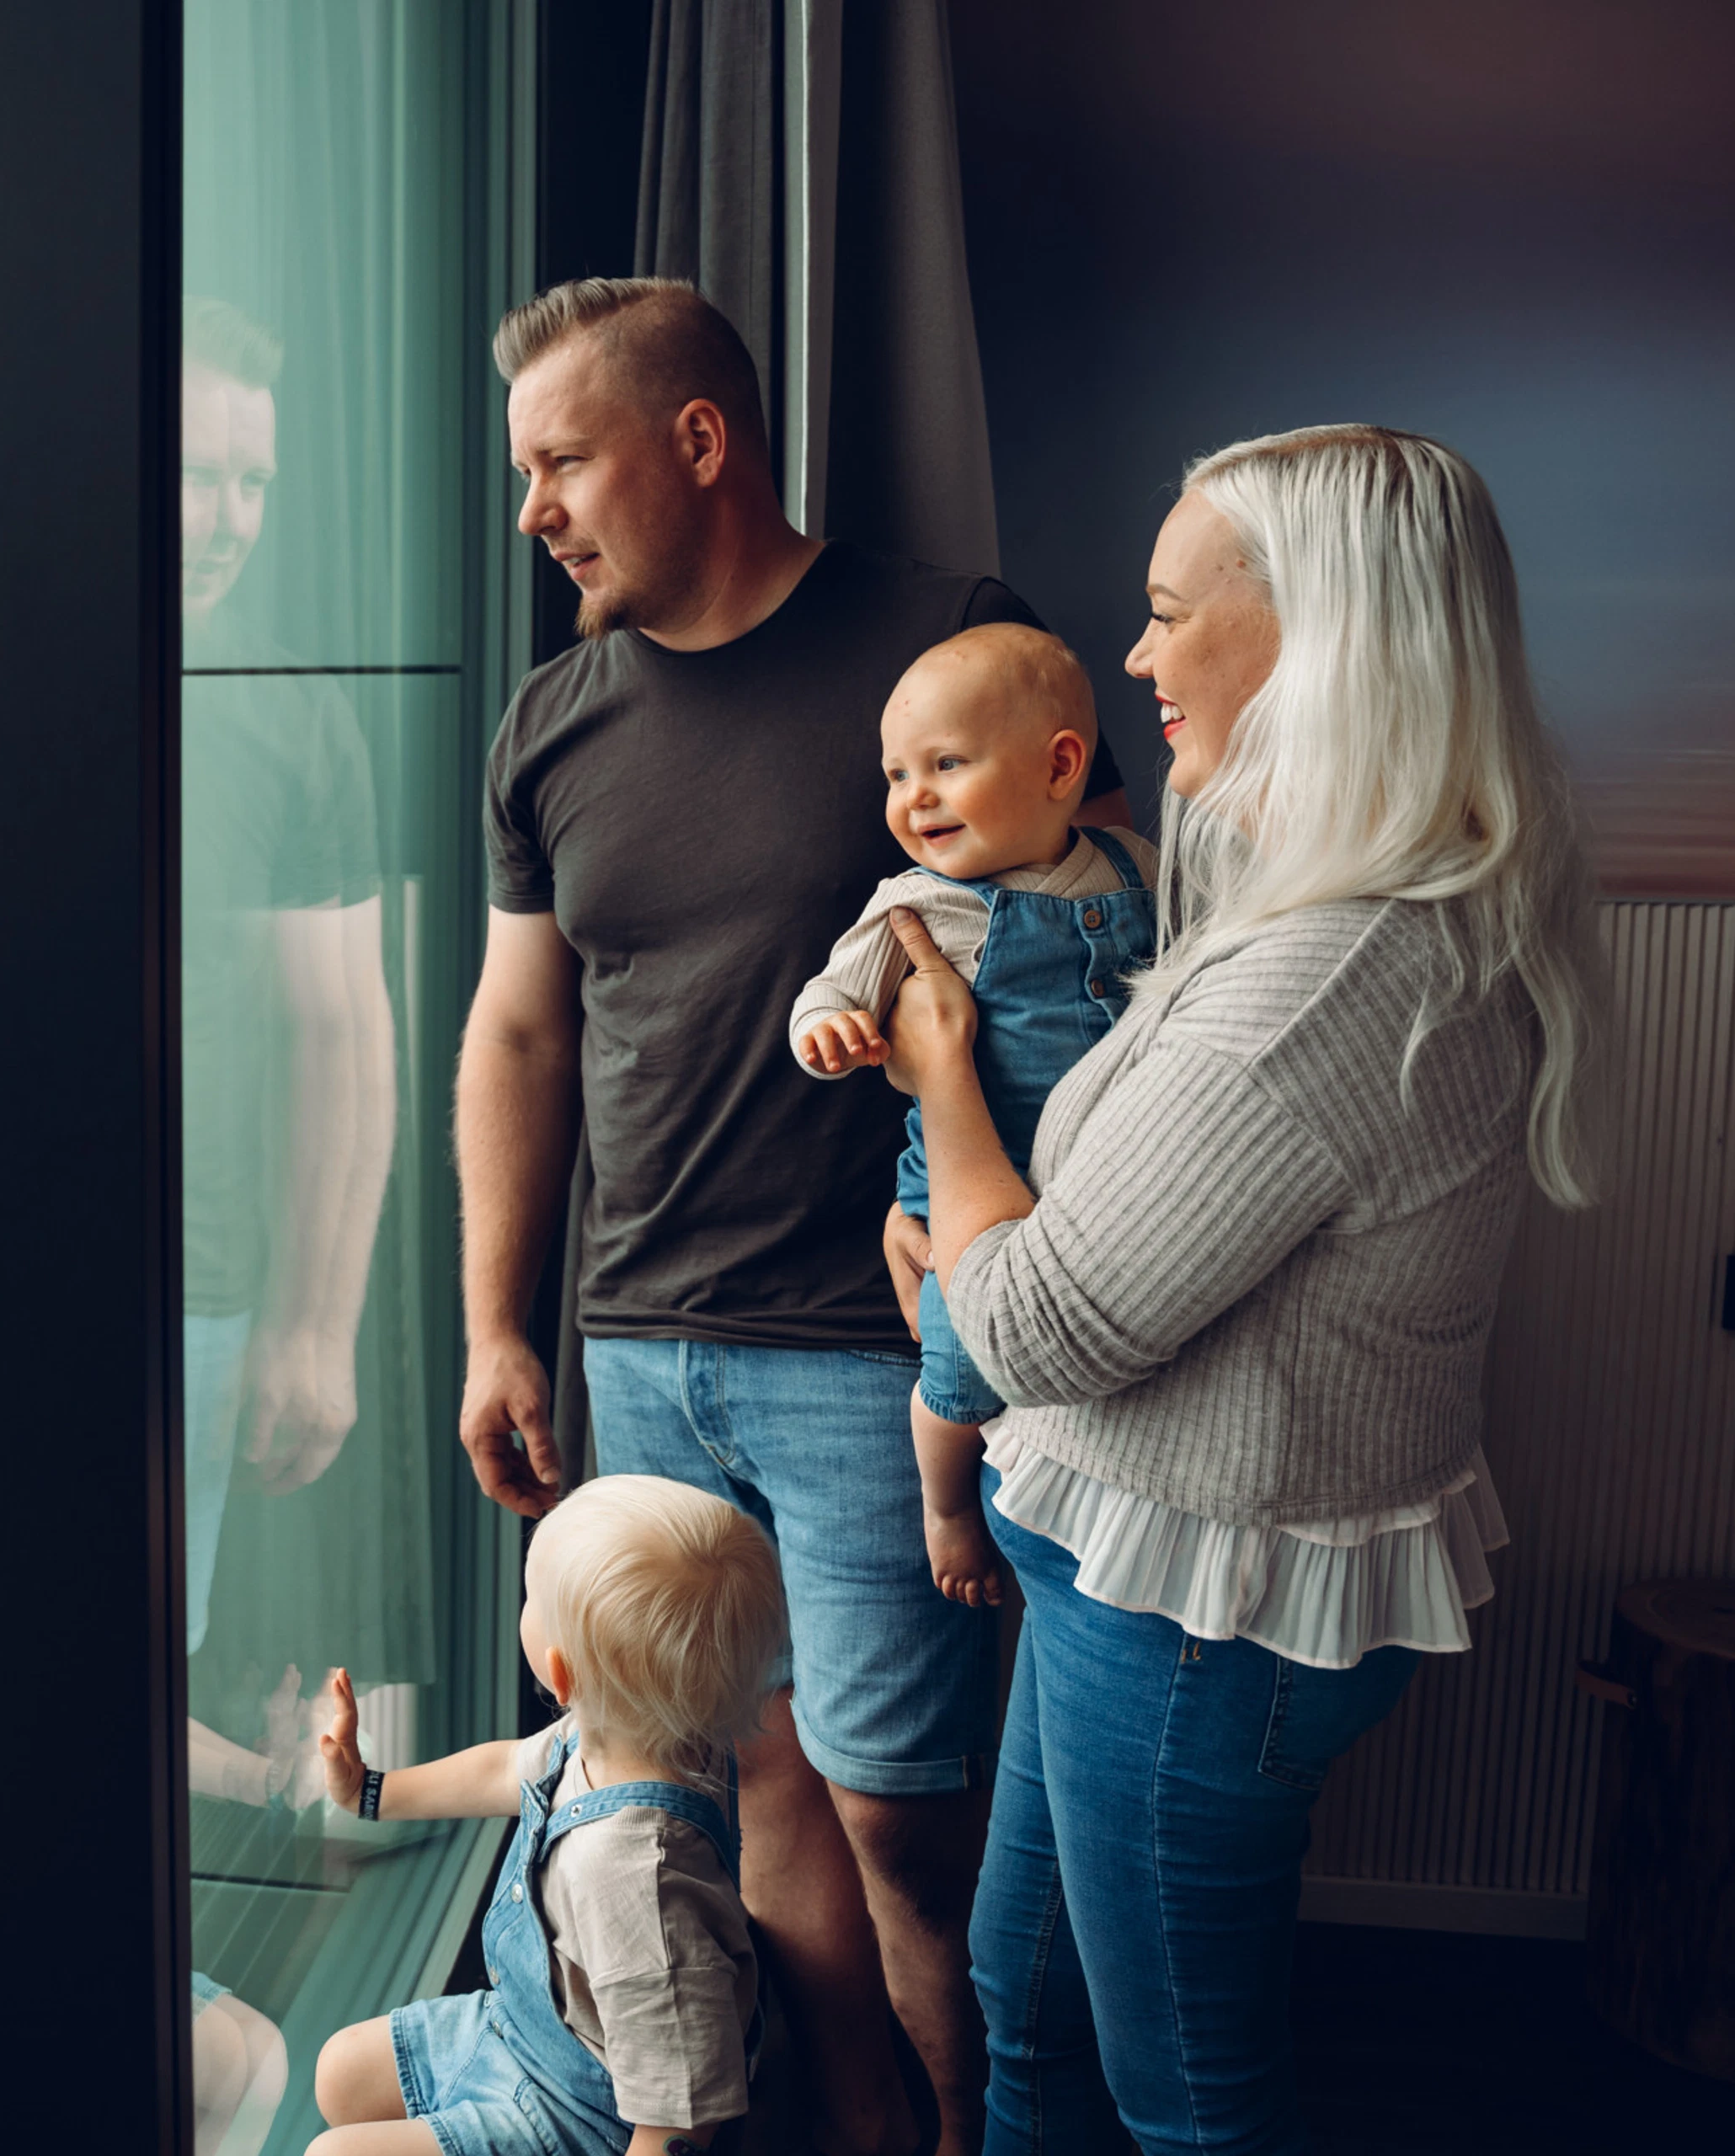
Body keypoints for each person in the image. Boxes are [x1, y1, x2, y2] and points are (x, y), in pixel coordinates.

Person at [455, 274, 1126, 2156]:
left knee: (906, 1820)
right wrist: (501, 1322)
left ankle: (977, 2126)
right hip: (638, 1345)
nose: (537, 510)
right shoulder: (551, 721)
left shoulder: (947, 653)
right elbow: (518, 1030)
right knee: (736, 1794)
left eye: (563, 459)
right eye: (526, 471)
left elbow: (1100, 944)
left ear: (699, 439)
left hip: (874, 1350)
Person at [884, 424, 1601, 2153]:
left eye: (1161, 612)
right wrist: (995, 1250)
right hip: (1128, 1567)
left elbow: (1032, 1323)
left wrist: (941, 1084)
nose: (1135, 660)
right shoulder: (1344, 910)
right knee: (1029, 2008)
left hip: (1190, 1618)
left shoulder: (1329, 968)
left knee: (1186, 2097)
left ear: (1317, 638)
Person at [178, 293, 398, 2150]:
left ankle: (219, 2062)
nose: (226, 507)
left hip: (185, 1296)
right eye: (191, 468)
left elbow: (345, 1031)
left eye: (251, 471)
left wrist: (314, 1320)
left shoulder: (284, 711)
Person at [787, 624, 1160, 1610]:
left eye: (946, 765)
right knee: (959, 1374)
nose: (913, 798)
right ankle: (947, 1504)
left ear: (1060, 765)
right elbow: (832, 988)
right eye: (898, 773)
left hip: (1099, 1187)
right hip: (959, 1204)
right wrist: (829, 1030)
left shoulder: (1135, 867)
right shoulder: (920, 903)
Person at [306, 1474, 787, 2156]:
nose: (523, 1604)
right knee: (339, 2075)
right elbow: (504, 1770)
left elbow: (680, 2110)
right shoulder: (623, 1735)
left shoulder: (636, 1882)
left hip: (580, 2118)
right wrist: (370, 1792)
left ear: (561, 1675)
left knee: (329, 2155)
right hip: (523, 2032)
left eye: (533, 1599)